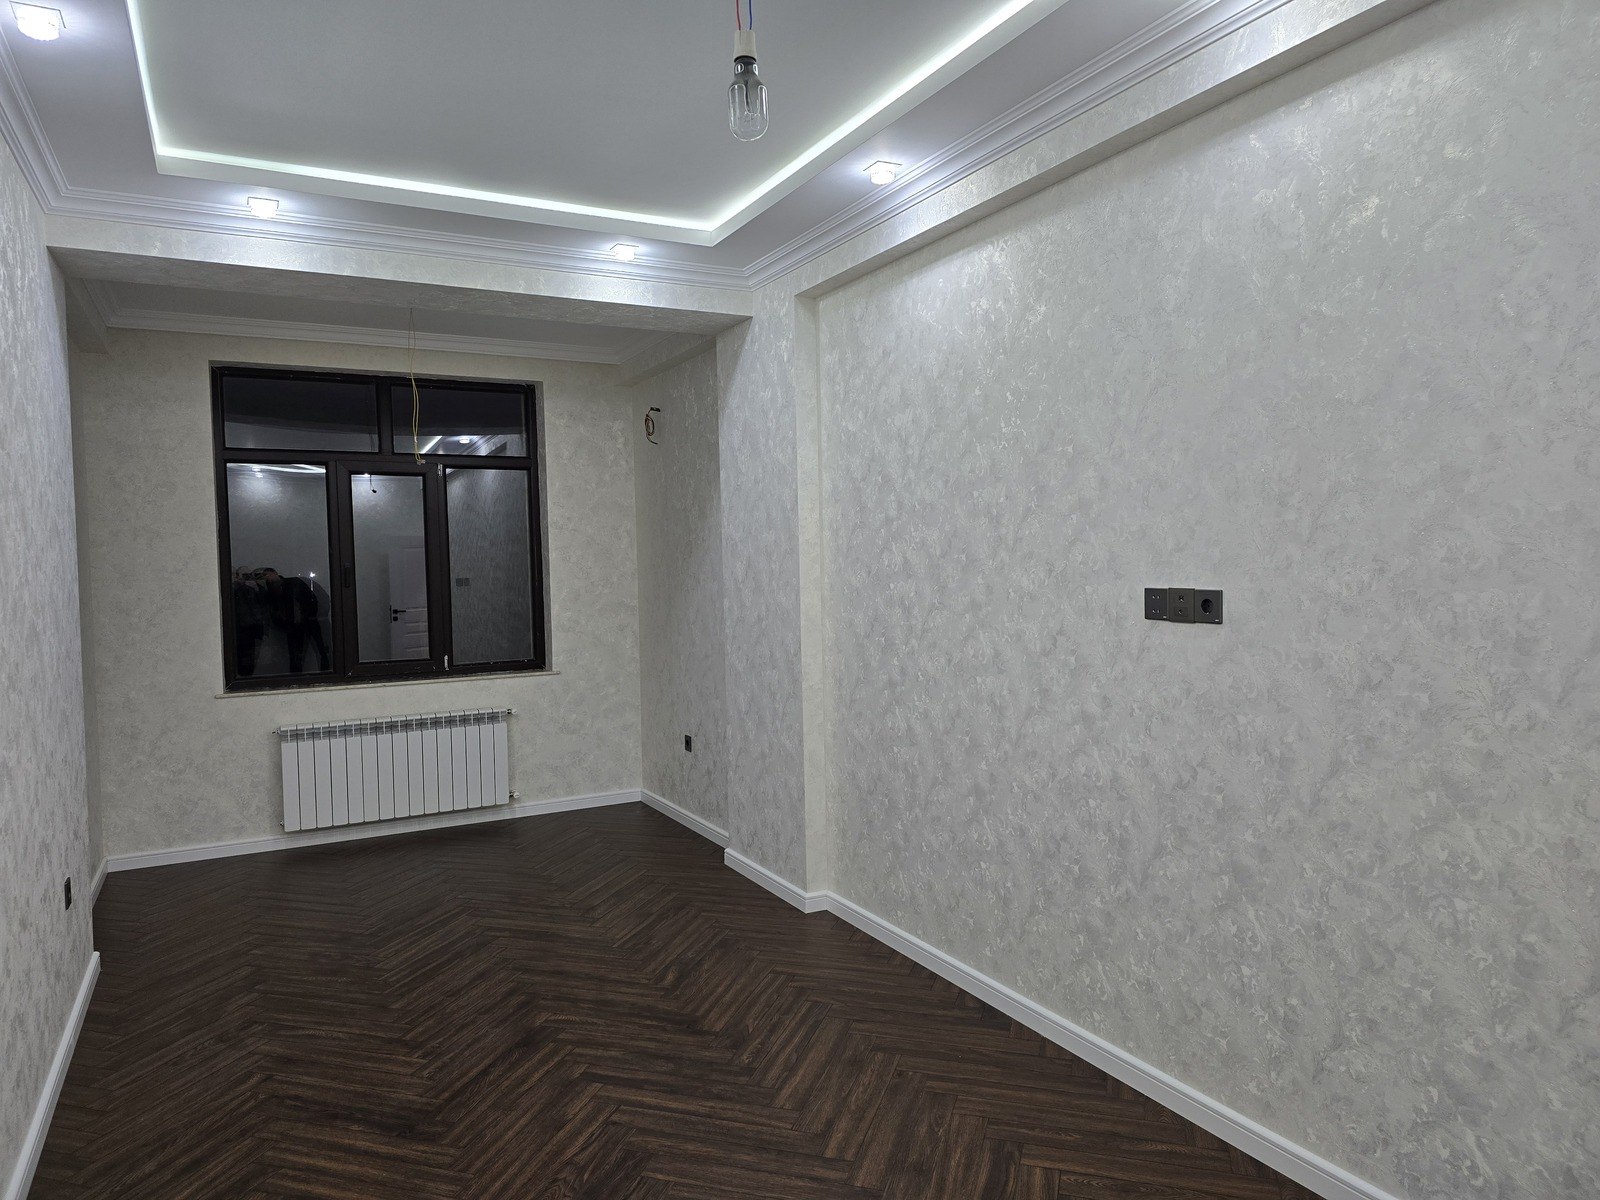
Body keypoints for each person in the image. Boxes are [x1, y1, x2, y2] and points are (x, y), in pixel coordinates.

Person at [261, 567, 331, 673]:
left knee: (320, 651)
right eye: (263, 576)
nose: (266, 578)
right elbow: (270, 610)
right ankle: (321, 675)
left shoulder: (295, 583)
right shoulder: (272, 591)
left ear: (275, 573)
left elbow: (321, 598)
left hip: (309, 622)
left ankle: (326, 674)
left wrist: (314, 615)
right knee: (298, 656)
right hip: (298, 625)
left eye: (267, 574)